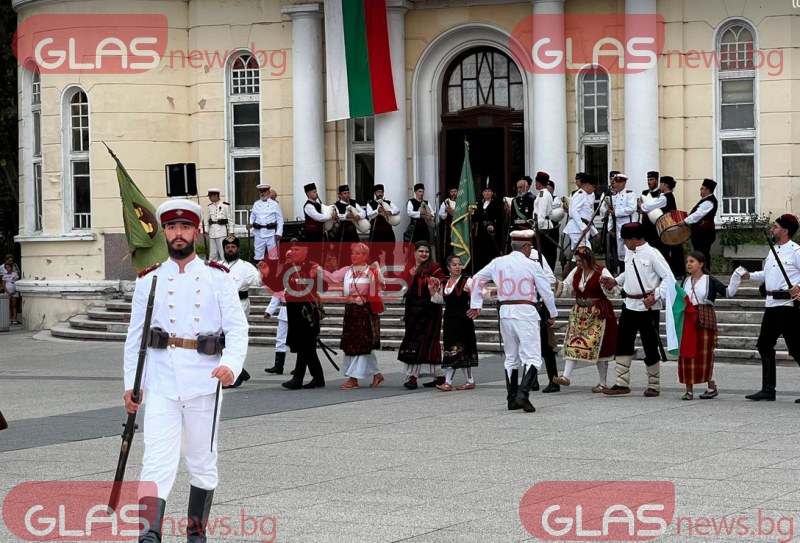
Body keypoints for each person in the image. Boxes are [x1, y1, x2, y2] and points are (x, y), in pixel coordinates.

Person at [123, 198, 248, 543]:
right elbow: (136, 339)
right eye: (172, 227)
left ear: (197, 232)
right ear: (164, 232)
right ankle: (150, 533)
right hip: (162, 380)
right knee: (156, 460)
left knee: (202, 460)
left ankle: (196, 533)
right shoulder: (149, 280)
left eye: (185, 227)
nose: (179, 234)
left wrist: (230, 365)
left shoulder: (218, 278)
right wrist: (131, 384)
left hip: (205, 381)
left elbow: (237, 329)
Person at [468, 230, 558, 413]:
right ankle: (523, 394)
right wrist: (552, 314)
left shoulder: (498, 262)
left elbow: (476, 279)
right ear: (525, 247)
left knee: (511, 357)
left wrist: (477, 304)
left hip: (506, 312)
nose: (530, 249)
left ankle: (511, 398)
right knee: (532, 356)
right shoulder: (532, 265)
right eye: (530, 246)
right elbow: (546, 291)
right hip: (526, 311)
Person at [599, 222, 675, 397]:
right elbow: (629, 273)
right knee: (623, 342)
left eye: (626, 240)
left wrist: (655, 295)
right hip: (630, 305)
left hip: (648, 306)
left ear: (634, 239)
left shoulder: (653, 254)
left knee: (650, 344)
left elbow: (668, 278)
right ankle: (621, 383)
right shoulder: (630, 252)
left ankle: (654, 384)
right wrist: (616, 281)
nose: (624, 243)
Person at [742, 214, 800, 402]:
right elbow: (767, 274)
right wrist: (749, 276)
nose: (772, 230)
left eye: (775, 227)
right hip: (771, 305)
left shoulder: (796, 251)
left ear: (785, 231)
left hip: (788, 306)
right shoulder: (773, 250)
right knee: (764, 344)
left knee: (797, 349)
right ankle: (768, 389)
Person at [319, 242, 385, 389]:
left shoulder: (371, 271)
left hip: (363, 311)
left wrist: (365, 298)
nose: (354, 256)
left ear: (365, 256)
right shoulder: (347, 270)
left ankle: (354, 378)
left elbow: (379, 288)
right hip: (350, 310)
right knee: (352, 343)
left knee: (361, 343)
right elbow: (333, 278)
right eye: (353, 253)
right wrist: (319, 271)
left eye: (358, 253)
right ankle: (376, 374)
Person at [553, 246, 619, 393]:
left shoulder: (601, 271)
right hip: (580, 313)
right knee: (573, 343)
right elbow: (566, 287)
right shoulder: (576, 272)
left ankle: (602, 383)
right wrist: (555, 282)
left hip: (598, 313)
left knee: (599, 348)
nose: (577, 263)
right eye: (576, 261)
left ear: (587, 259)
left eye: (580, 261)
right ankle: (565, 377)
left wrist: (607, 286)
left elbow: (613, 289)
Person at [678, 251, 739, 400]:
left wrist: (736, 276)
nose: (689, 264)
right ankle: (689, 390)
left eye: (692, 261)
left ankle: (711, 386)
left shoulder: (709, 280)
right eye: (687, 261)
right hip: (688, 319)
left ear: (701, 264)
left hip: (705, 318)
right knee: (687, 352)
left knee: (705, 353)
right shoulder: (685, 281)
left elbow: (728, 292)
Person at [218, 235, 267, 389]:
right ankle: (238, 371)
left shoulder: (246, 267)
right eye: (227, 247)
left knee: (233, 338)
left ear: (237, 248)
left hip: (240, 304)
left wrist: (264, 271)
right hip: (220, 306)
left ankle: (236, 374)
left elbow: (258, 281)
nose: (230, 250)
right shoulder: (217, 265)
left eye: (233, 247)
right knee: (221, 339)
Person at [397, 240, 445, 389]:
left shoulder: (434, 267)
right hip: (412, 310)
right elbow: (402, 283)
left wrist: (430, 281)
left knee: (426, 342)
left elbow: (441, 282)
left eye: (427, 252)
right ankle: (439, 376)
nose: (424, 254)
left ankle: (412, 377)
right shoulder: (409, 267)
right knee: (413, 340)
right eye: (421, 251)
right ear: (414, 252)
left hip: (429, 310)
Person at [280, 242, 327, 390]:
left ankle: (298, 378)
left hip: (307, 311)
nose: (293, 252)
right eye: (292, 249)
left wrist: (315, 277)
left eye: (297, 249)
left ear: (305, 250)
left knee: (305, 345)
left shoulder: (311, 266)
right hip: (293, 310)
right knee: (306, 346)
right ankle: (317, 377)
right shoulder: (288, 267)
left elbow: (324, 287)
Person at [436, 254, 479, 391]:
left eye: (459, 264)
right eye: (454, 264)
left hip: (463, 319)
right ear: (448, 267)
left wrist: (476, 308)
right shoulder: (444, 283)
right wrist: (432, 289)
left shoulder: (467, 281)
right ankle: (469, 381)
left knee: (459, 348)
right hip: (449, 318)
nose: (457, 267)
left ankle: (448, 382)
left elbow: (479, 293)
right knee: (451, 348)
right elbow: (439, 300)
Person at [640, 175, 684, 277]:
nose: (660, 186)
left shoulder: (664, 197)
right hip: (670, 227)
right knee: (670, 250)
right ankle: (675, 272)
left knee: (664, 250)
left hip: (666, 227)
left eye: (661, 184)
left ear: (665, 185)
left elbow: (649, 206)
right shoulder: (670, 196)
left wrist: (641, 205)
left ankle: (667, 272)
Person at [599, 173, 637, 273]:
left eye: (619, 182)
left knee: (629, 250)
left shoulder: (630, 194)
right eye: (615, 182)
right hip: (617, 227)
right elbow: (611, 213)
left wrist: (616, 212)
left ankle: (631, 271)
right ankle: (623, 271)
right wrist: (610, 227)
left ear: (624, 183)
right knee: (620, 252)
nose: (616, 185)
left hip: (628, 225)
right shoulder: (613, 196)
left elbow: (632, 208)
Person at [679, 178, 718, 269]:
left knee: (703, 253)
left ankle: (705, 272)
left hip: (704, 232)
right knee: (699, 253)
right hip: (699, 232)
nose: (700, 190)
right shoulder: (705, 200)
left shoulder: (709, 201)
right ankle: (700, 271)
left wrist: (685, 221)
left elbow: (698, 214)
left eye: (702, 188)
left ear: (707, 190)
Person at [249, 183, 284, 266]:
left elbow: (280, 220)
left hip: (270, 233)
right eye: (261, 192)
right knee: (258, 255)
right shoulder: (256, 204)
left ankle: (272, 274)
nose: (263, 193)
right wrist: (250, 223)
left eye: (264, 191)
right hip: (258, 233)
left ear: (268, 192)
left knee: (273, 255)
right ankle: (259, 273)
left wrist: (279, 232)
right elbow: (252, 216)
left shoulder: (274, 204)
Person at [472, 180, 503, 272]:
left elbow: (500, 219)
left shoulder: (496, 204)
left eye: (489, 191)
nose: (487, 193)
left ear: (492, 193)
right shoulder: (479, 204)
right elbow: (476, 218)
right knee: (481, 252)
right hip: (481, 231)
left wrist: (494, 226)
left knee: (491, 252)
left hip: (492, 232)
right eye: (485, 191)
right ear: (482, 193)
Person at [563, 174, 598, 253]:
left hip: (579, 229)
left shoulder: (583, 195)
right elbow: (574, 211)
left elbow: (586, 217)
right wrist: (582, 227)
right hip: (578, 229)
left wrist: (594, 231)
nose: (594, 189)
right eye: (593, 186)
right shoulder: (581, 195)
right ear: (587, 185)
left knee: (579, 254)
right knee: (585, 254)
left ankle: (575, 264)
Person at [533, 172, 558, 271]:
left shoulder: (543, 195)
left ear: (539, 183)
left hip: (543, 228)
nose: (535, 184)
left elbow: (541, 214)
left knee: (544, 254)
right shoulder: (544, 194)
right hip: (544, 226)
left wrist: (537, 227)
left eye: (536, 182)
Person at [206, 188, 233, 261]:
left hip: (221, 232)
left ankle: (225, 267)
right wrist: (206, 231)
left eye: (210, 196)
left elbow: (230, 220)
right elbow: (208, 220)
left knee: (223, 252)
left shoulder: (225, 205)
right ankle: (212, 269)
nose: (209, 198)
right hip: (212, 232)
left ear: (216, 195)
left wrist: (231, 232)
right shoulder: (210, 206)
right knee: (212, 254)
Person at [639, 171, 662, 249]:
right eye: (648, 180)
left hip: (656, 225)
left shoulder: (660, 193)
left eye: (651, 180)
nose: (649, 182)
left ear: (656, 181)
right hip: (646, 224)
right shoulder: (644, 192)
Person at [437, 186, 459, 262]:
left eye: (455, 191)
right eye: (452, 191)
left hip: (459, 227)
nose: (453, 193)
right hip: (449, 228)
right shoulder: (446, 202)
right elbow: (441, 215)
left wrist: (454, 213)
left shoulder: (461, 202)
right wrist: (446, 211)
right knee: (449, 245)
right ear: (449, 193)